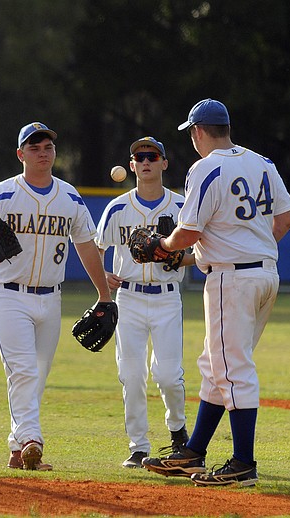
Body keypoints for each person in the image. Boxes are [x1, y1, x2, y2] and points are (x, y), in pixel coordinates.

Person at [140, 99, 290, 487]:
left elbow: (188, 232)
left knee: (233, 368)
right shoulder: (263, 162)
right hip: (264, 275)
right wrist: (247, 250)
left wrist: (163, 244)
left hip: (232, 281)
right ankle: (193, 451)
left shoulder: (205, 167)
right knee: (216, 365)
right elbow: (285, 220)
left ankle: (243, 463)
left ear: (197, 132)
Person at [0, 122, 114, 470]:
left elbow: (85, 245)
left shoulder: (69, 197)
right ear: (21, 154)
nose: (42, 152)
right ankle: (33, 439)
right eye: (34, 147)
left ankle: (17, 449)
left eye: (48, 146)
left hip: (51, 297)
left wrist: (104, 295)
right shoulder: (2, 194)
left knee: (36, 375)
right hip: (7, 294)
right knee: (22, 370)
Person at [95, 136, 194, 469]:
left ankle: (177, 431)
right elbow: (96, 247)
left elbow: (205, 250)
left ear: (165, 163)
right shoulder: (119, 207)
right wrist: (103, 276)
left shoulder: (182, 206)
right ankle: (138, 446)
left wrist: (180, 259)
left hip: (167, 299)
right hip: (130, 299)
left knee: (167, 375)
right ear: (132, 164)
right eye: (140, 156)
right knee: (132, 374)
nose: (146, 160)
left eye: (153, 155)